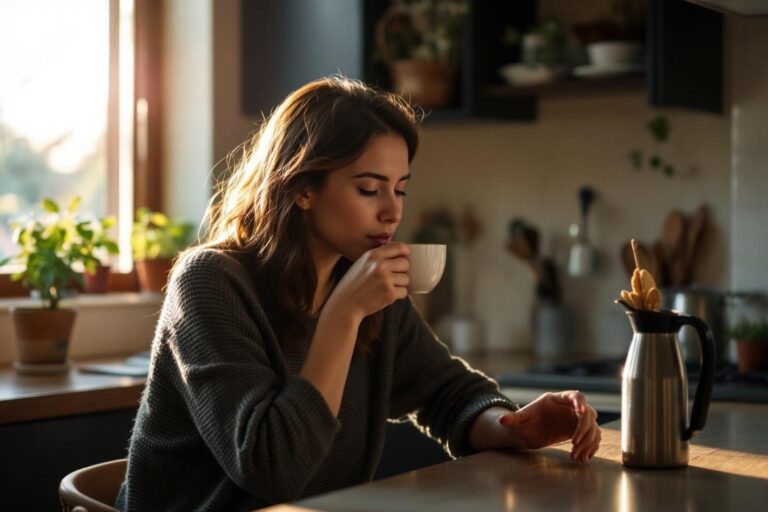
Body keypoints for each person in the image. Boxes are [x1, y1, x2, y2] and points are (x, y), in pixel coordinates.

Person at [116, 76, 601, 511]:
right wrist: (343, 316)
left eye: (401, 189)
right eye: (370, 189)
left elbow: (448, 392)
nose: (393, 212)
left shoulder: (368, 286)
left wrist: (514, 427)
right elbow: (271, 471)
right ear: (303, 189)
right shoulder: (210, 282)